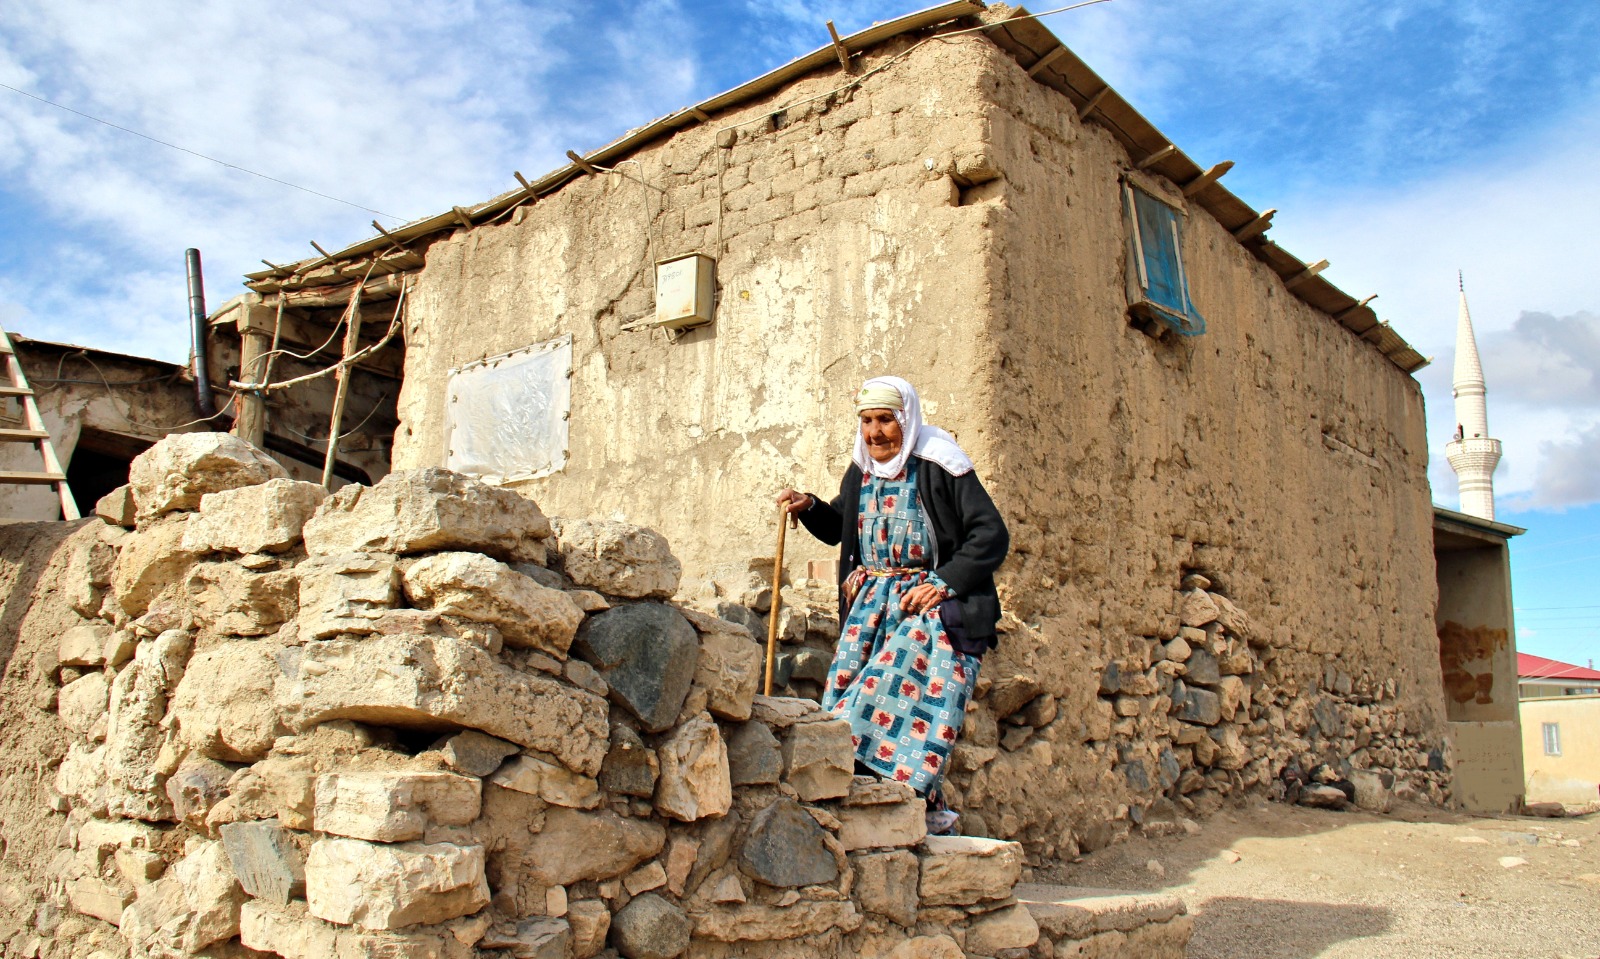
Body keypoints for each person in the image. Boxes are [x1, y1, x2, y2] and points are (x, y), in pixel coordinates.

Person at [777, 376, 1009, 831]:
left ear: (907, 419)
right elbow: (843, 525)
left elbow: (990, 534)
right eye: (866, 421)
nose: (875, 432)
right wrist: (810, 507)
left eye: (885, 420)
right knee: (842, 703)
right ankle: (901, 812)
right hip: (869, 612)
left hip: (924, 607)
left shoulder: (940, 464)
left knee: (891, 701)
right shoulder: (862, 470)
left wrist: (944, 583)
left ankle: (900, 808)